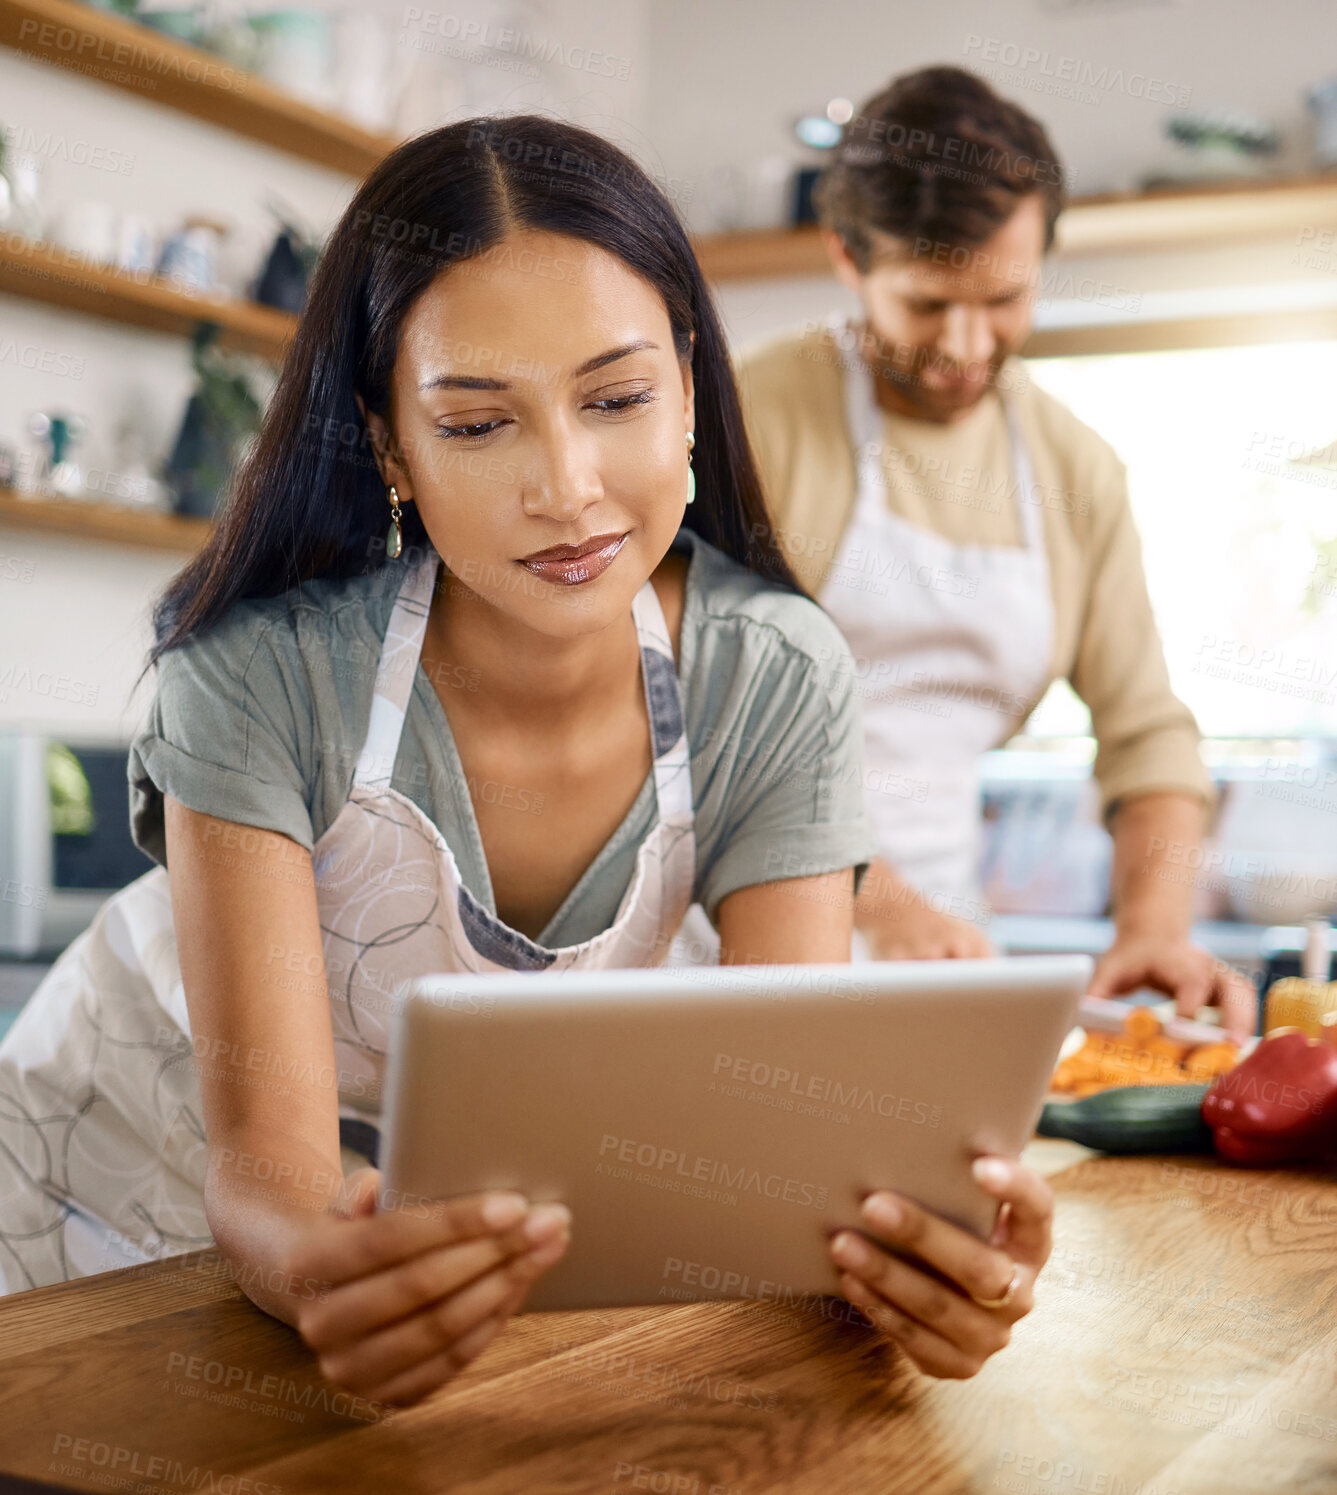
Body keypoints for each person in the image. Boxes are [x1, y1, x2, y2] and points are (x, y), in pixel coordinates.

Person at [0, 116, 1052, 1399]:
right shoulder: (256, 675)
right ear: (390, 446)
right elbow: (269, 1177)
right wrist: (331, 1266)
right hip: (113, 1170)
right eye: (478, 424)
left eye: (614, 399)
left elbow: (784, 1140)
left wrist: (905, 1267)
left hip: (439, 1241)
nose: (565, 485)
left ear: (685, 388)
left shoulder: (769, 673)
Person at [735, 66, 1254, 1036]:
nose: (965, 344)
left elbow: (1146, 735)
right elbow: (690, 717)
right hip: (732, 940)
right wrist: (877, 909)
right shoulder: (753, 416)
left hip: (942, 945)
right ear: (847, 258)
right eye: (926, 303)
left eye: (1004, 299)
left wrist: (1151, 927)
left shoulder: (1073, 468)